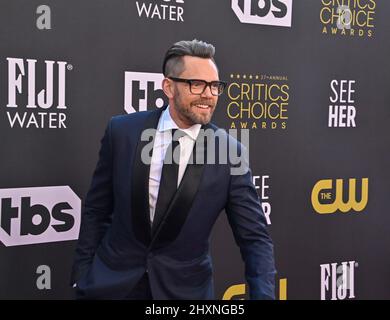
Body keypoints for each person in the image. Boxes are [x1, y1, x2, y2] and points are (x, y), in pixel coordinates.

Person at [70, 39, 276, 300]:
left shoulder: (229, 152)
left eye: (215, 86)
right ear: (169, 86)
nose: (209, 95)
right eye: (197, 84)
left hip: (184, 292)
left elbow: (255, 238)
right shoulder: (123, 132)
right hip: (111, 287)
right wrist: (82, 274)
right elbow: (96, 210)